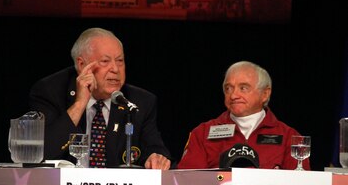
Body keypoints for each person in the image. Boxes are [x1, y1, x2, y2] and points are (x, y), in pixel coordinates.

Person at [29, 27, 171, 169]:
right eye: (105, 61)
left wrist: (156, 157)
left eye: (120, 60)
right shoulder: (50, 91)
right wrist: (79, 104)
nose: (115, 69)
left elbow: (155, 149)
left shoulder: (139, 102)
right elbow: (42, 153)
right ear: (82, 65)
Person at [177, 61, 311, 170]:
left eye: (243, 88)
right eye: (228, 88)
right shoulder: (202, 133)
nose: (234, 95)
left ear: (265, 93)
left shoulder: (289, 137)